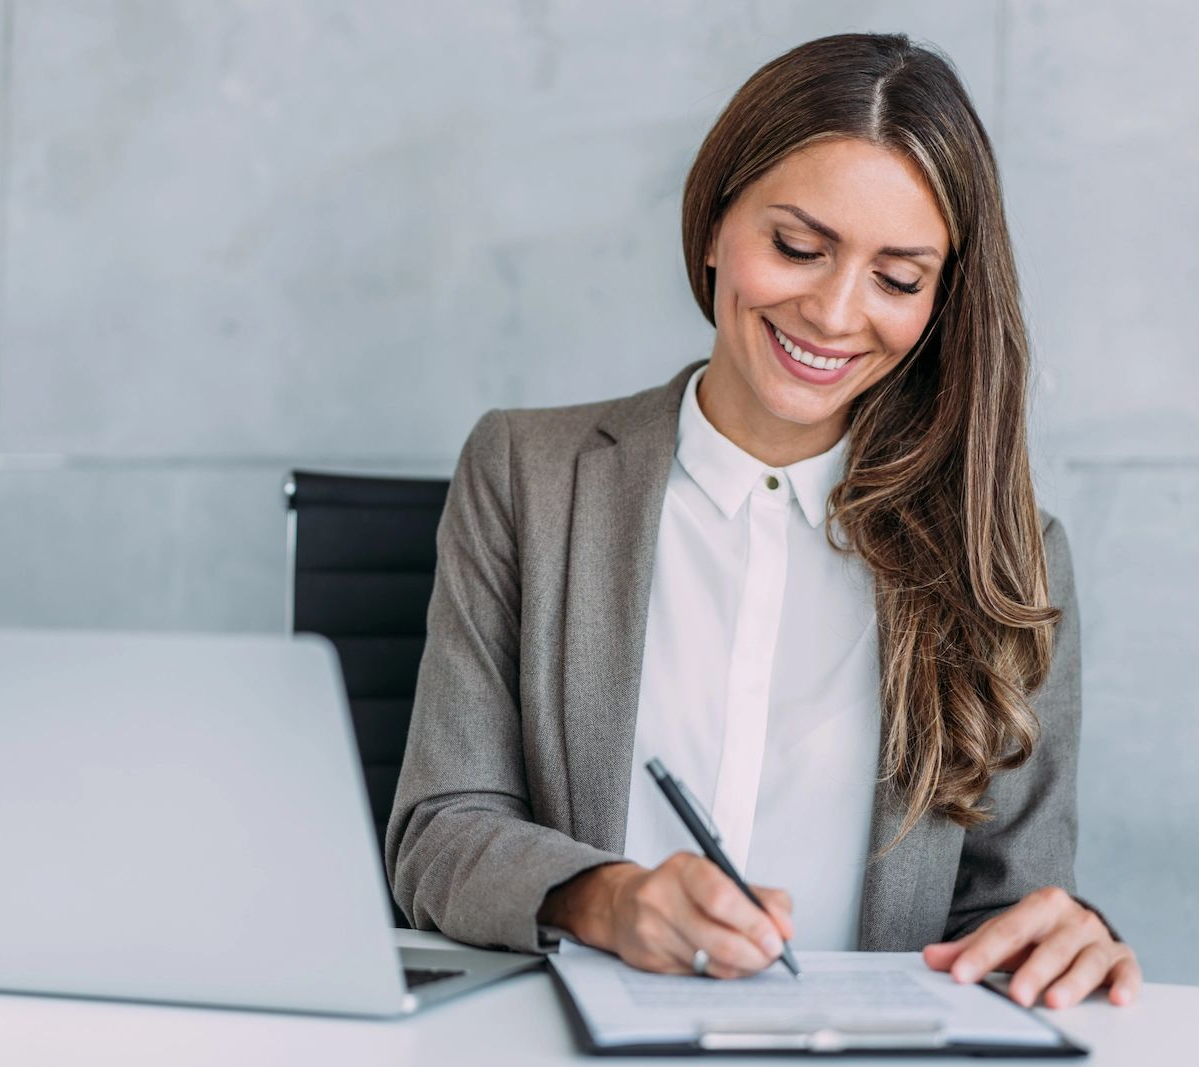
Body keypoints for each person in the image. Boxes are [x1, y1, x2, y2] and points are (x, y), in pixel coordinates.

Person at [385, 33, 1141, 1011]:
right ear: (712, 223)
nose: (833, 311)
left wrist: (1057, 936)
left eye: (898, 278)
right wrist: (609, 899)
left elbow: (1008, 909)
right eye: (797, 246)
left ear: (940, 299)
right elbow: (438, 829)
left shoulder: (1008, 555)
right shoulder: (530, 474)